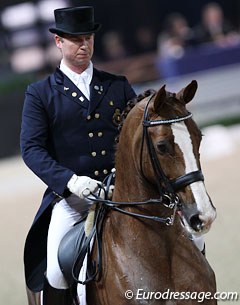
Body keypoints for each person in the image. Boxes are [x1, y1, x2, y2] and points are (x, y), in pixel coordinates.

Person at [20, 6, 136, 305]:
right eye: (76, 40)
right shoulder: (41, 93)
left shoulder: (117, 85)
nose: (84, 45)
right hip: (74, 201)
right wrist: (71, 182)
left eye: (88, 38)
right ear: (59, 42)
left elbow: (137, 140)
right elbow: (32, 149)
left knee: (182, 237)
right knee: (57, 271)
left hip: (122, 194)